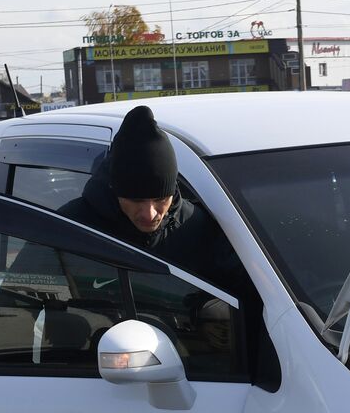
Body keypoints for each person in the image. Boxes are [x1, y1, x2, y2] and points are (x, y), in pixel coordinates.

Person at [56, 105, 248, 297]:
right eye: (136, 200)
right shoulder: (69, 228)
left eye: (160, 199)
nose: (150, 213)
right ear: (115, 189)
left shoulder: (201, 230)